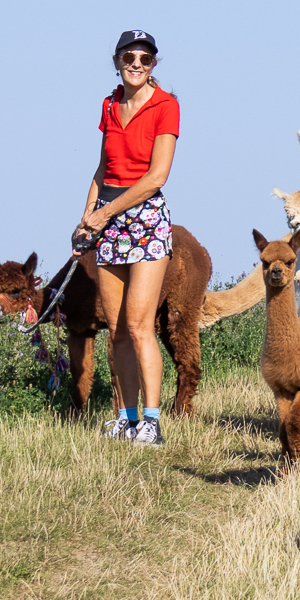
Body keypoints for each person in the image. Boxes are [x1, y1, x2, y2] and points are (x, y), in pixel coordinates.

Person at [74, 30, 180, 447]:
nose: (137, 64)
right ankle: (126, 416)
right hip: (108, 218)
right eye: (130, 56)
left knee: (139, 325)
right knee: (116, 327)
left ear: (154, 64)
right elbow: (103, 168)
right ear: (116, 60)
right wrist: (86, 218)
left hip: (145, 217)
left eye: (145, 58)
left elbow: (157, 177)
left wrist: (104, 213)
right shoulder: (109, 104)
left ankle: (151, 423)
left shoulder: (166, 106)